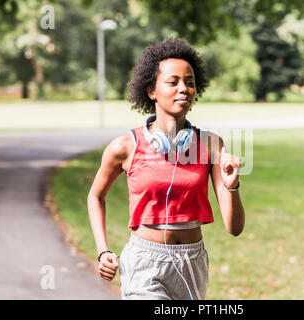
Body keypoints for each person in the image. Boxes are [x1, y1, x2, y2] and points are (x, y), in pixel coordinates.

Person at [87, 38, 245, 300]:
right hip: (144, 263)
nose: (183, 88)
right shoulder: (125, 146)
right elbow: (95, 195)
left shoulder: (212, 145)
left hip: (193, 264)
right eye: (173, 82)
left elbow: (234, 227)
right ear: (152, 91)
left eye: (190, 82)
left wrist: (232, 185)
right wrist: (103, 250)